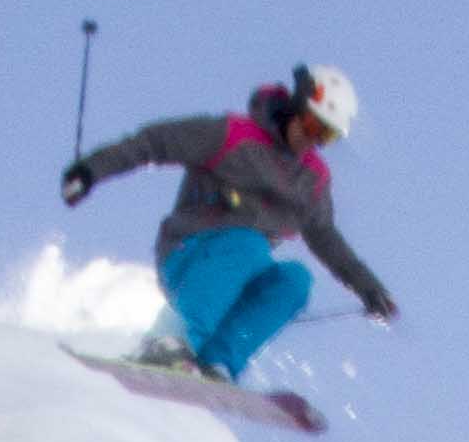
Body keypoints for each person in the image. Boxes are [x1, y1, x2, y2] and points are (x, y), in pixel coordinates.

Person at [62, 66, 397, 383]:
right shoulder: (233, 135)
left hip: (240, 271)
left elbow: (325, 236)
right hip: (191, 252)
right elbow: (155, 142)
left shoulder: (312, 180)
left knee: (295, 281)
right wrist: (89, 171)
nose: (312, 139)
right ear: (297, 106)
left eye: (326, 135)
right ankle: (165, 341)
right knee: (249, 244)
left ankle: (216, 361)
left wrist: (368, 288)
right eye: (311, 125)